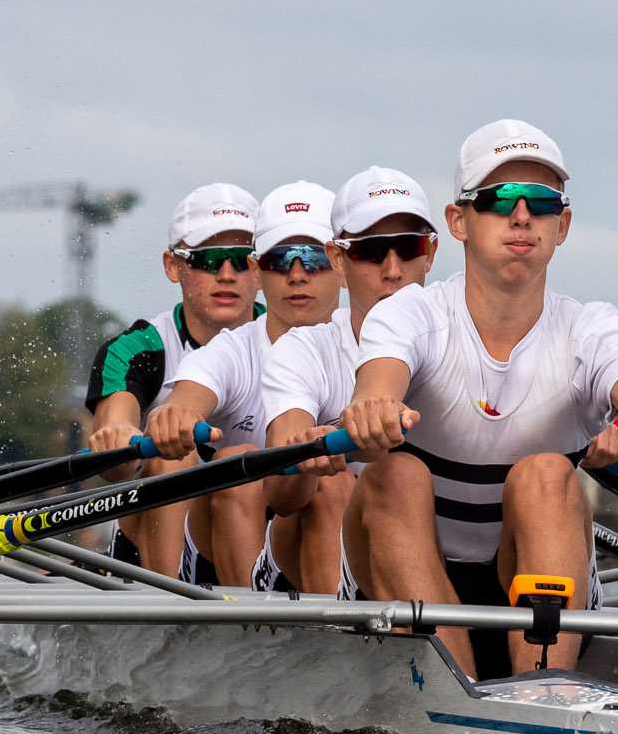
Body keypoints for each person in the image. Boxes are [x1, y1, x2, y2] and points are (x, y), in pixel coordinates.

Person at [339, 120, 618, 679]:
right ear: (458, 221)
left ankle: (543, 693)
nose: (521, 215)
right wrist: (373, 410)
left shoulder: (594, 331)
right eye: (498, 200)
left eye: (540, 202)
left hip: (538, 585)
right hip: (404, 583)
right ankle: (452, 686)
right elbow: (378, 388)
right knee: (393, 475)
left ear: (561, 225)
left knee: (546, 475)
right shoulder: (411, 314)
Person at [146, 182, 341, 590]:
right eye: (280, 260)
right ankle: (223, 622)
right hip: (227, 536)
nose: (298, 274)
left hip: (323, 525)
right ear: (257, 271)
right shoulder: (232, 350)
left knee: (335, 483)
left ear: (339, 263)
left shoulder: (378, 348)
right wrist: (172, 416)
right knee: (239, 460)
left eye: (313, 258)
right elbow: (186, 397)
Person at [257, 166, 442, 596]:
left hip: (436, 546)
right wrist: (307, 457)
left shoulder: (464, 331)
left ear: (430, 253)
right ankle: (340, 655)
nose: (393, 270)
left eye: (408, 247)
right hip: (313, 548)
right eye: (372, 251)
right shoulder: (302, 348)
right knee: (331, 483)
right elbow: (279, 495)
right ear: (338, 260)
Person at [83, 183, 261, 577]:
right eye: (209, 259)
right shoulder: (136, 349)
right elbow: (115, 450)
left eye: (241, 259)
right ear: (173, 265)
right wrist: (116, 434)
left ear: (261, 267)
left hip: (258, 531)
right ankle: (169, 605)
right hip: (153, 536)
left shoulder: (291, 341)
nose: (228, 274)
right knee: (172, 451)